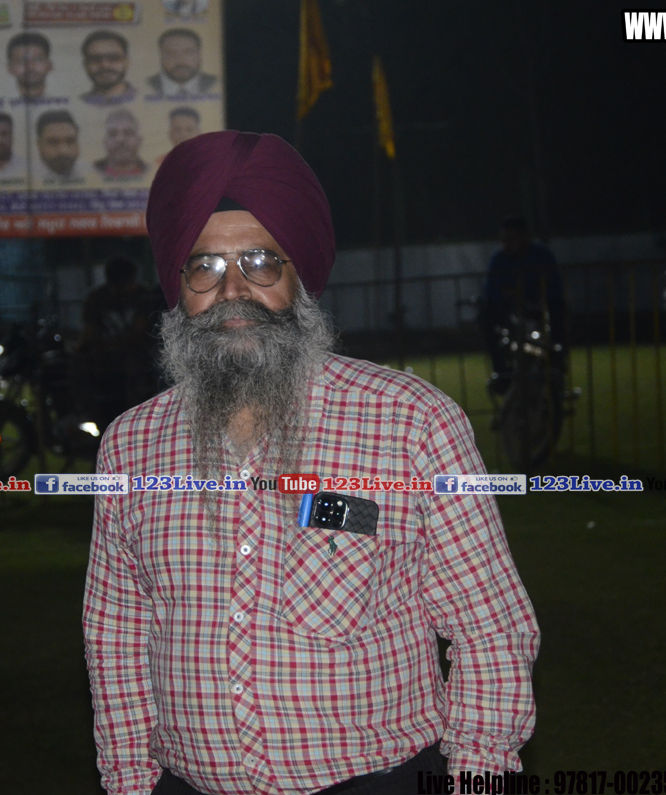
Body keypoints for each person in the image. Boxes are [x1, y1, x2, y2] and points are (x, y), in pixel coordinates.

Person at [83, 131, 540, 795]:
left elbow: (490, 628)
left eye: (261, 262)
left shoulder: (411, 423)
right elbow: (115, 637)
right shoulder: (130, 446)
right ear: (177, 287)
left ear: (300, 278)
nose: (233, 289)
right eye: (204, 266)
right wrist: (130, 782)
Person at [74, 257, 166, 431]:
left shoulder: (143, 297)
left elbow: (140, 332)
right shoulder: (98, 299)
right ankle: (84, 415)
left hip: (136, 362)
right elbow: (89, 333)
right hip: (107, 363)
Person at [480, 215, 567, 393]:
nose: (507, 243)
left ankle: (557, 360)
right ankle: (502, 372)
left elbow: (553, 286)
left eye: (512, 238)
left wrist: (522, 292)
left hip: (538, 306)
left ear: (525, 236)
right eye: (504, 239)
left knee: (560, 311)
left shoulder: (541, 254)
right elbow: (492, 291)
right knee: (485, 318)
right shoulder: (499, 258)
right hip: (509, 309)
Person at [146, 29, 218, 99]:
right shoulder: (147, 84)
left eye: (188, 52)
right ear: (161, 56)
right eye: (171, 53)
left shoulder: (216, 83)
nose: (180, 60)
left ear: (199, 55)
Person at [80, 30, 136, 106]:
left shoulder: (140, 97)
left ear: (126, 62)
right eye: (95, 59)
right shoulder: (79, 102)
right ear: (85, 64)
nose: (105, 65)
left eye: (113, 58)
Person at [35, 109, 88, 184]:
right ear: (39, 145)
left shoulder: (92, 173)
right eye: (53, 142)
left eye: (70, 141)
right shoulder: (27, 175)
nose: (63, 151)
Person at [94, 109, 147, 180]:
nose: (120, 140)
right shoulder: (92, 171)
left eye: (128, 133)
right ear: (104, 142)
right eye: (112, 134)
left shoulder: (151, 171)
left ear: (139, 141)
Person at [6, 31, 54, 102]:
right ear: (10, 68)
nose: (30, 66)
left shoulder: (65, 102)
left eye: (37, 59)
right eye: (21, 61)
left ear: (50, 65)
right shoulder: (0, 103)